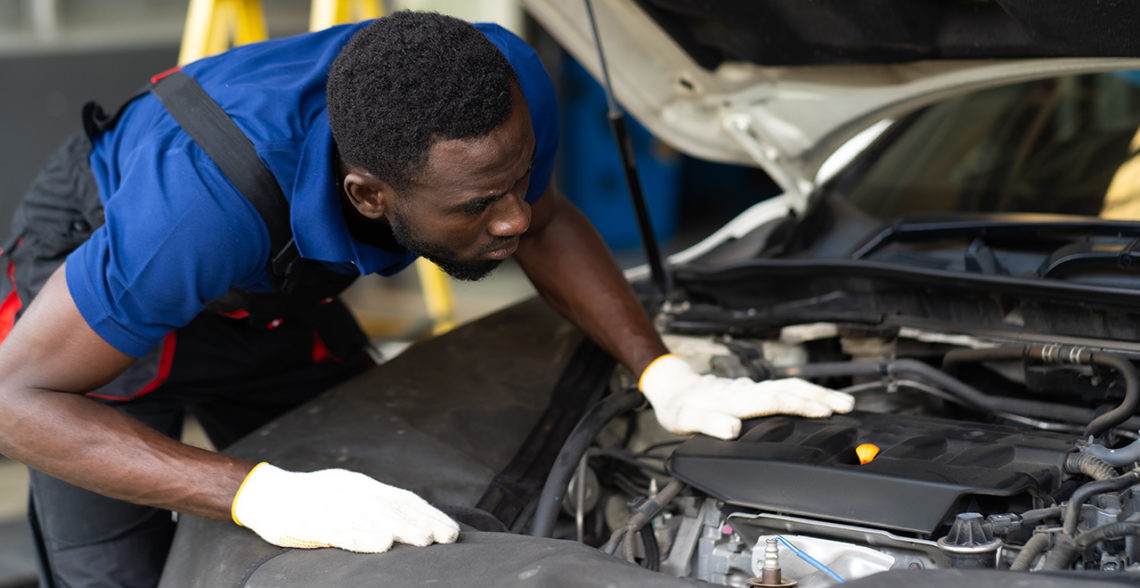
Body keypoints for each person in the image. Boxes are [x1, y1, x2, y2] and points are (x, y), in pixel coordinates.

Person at [0, 11, 853, 588]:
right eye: (480, 206)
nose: (513, 214)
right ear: (369, 197)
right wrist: (258, 492)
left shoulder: (495, 86)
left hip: (268, 296)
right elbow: (16, 399)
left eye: (515, 179)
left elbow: (546, 224)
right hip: (96, 309)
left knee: (395, 518)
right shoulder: (192, 216)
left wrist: (665, 373)